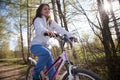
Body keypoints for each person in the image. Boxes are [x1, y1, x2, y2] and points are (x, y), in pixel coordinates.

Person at [30, 3, 77, 80]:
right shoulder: (38, 20)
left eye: (49, 9)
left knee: (51, 68)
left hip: (46, 47)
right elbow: (39, 28)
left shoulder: (51, 22)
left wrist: (70, 36)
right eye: (45, 9)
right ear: (40, 11)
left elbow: (60, 29)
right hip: (36, 45)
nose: (47, 10)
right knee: (47, 53)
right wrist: (46, 31)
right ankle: (36, 72)